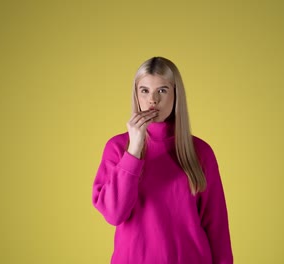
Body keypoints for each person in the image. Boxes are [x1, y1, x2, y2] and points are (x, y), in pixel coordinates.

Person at [92, 56, 233, 264]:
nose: (153, 100)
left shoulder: (200, 152)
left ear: (176, 94)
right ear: (136, 95)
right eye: (145, 90)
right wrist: (134, 150)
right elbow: (114, 214)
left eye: (162, 90)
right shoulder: (117, 148)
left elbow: (217, 228)